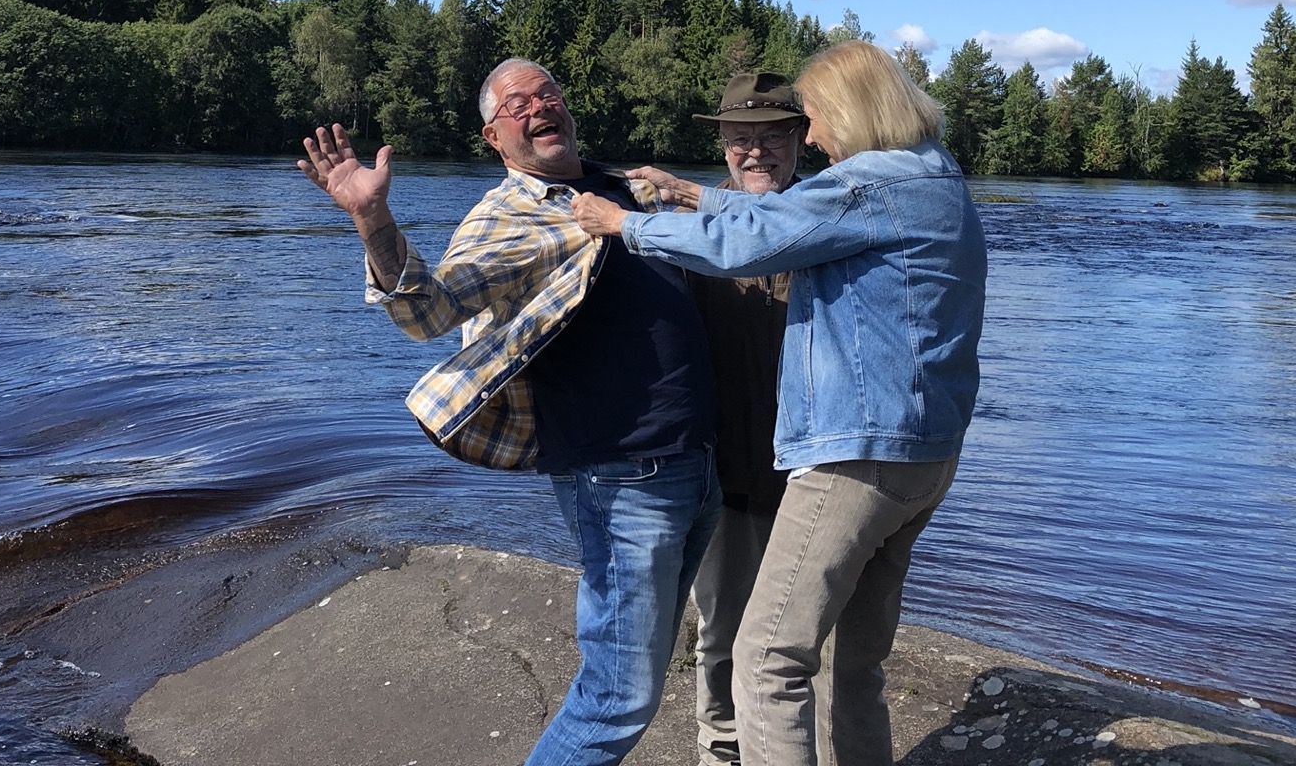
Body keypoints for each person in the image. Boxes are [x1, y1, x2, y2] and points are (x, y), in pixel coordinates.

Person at [570, 41, 986, 766]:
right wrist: (693, 195)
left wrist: (624, 224)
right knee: (855, 663)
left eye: (809, 120)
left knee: (766, 660)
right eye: (742, 137)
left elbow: (758, 238)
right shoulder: (935, 177)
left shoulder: (866, 187)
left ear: (847, 113)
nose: (814, 137)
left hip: (855, 456)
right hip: (924, 455)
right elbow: (784, 216)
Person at [300, 57, 721, 766]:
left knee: (641, 675)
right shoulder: (506, 215)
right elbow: (428, 310)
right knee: (618, 695)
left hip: (697, 462)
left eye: (547, 94)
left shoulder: (631, 189)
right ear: (494, 138)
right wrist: (372, 218)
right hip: (622, 477)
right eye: (516, 105)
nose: (538, 107)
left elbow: (735, 236)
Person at [683, 72, 807, 766]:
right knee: (722, 628)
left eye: (771, 137)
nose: (755, 152)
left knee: (809, 637)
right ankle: (720, 749)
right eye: (740, 138)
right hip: (723, 470)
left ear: (800, 140)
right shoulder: (691, 225)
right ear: (723, 144)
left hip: (815, 476)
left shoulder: (833, 218)